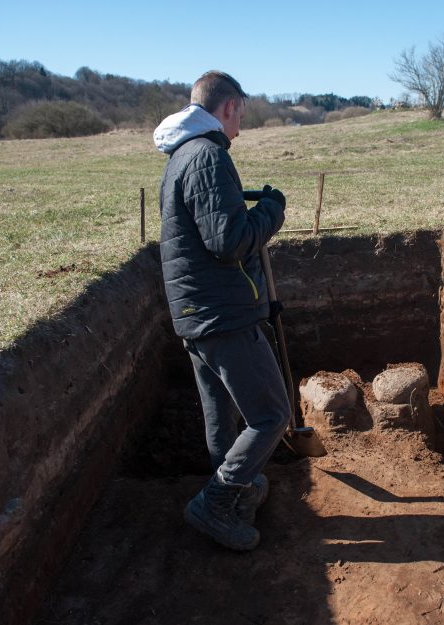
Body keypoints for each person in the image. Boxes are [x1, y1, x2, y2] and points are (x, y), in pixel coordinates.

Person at [154, 71, 290, 551]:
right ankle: (215, 502)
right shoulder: (208, 156)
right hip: (222, 313)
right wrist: (272, 210)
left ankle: (236, 491)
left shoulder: (181, 157)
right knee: (272, 414)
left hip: (197, 312)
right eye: (242, 116)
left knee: (222, 417)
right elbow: (228, 240)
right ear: (229, 107)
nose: (241, 129)